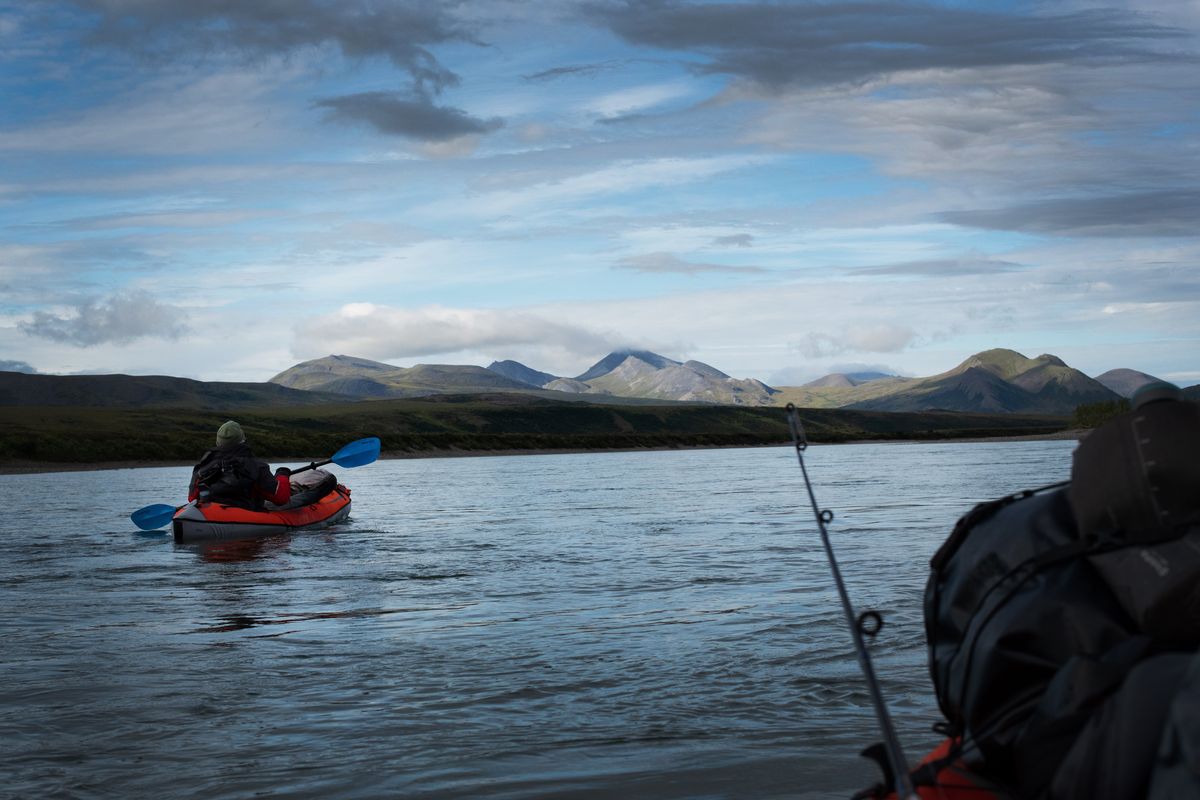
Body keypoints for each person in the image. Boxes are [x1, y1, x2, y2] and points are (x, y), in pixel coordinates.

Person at [188, 420, 290, 509]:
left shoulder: (203, 466)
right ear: (243, 440)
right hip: (246, 515)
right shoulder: (257, 466)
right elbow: (281, 498)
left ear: (218, 442)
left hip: (211, 514)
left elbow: (192, 498)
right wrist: (282, 474)